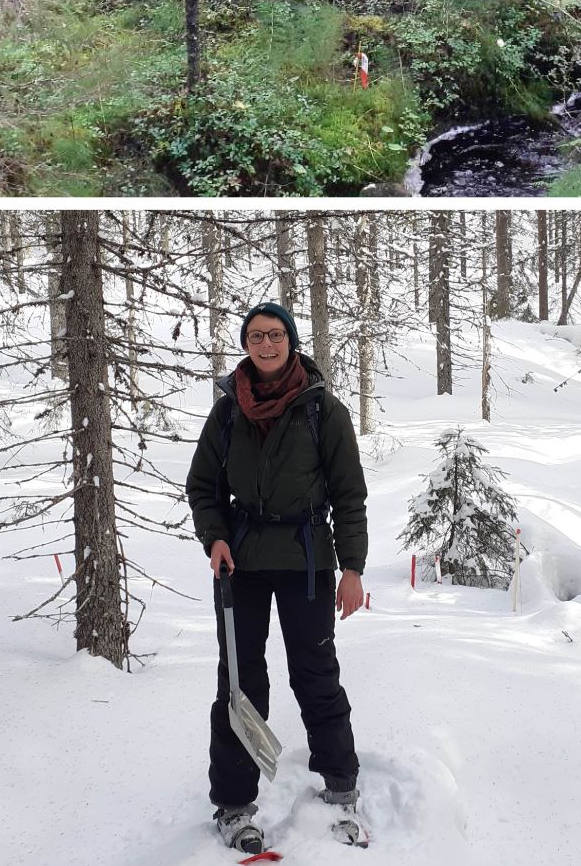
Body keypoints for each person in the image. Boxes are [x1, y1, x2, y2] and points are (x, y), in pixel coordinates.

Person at [185, 303, 371, 852]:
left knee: (315, 674)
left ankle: (340, 787)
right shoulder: (226, 413)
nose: (265, 344)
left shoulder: (324, 412)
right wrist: (214, 536)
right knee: (240, 684)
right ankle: (234, 803)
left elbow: (349, 497)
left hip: (308, 562)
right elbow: (203, 487)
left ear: (291, 339)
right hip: (240, 563)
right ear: (245, 343)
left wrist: (353, 569)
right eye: (255, 335)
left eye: (275, 334)